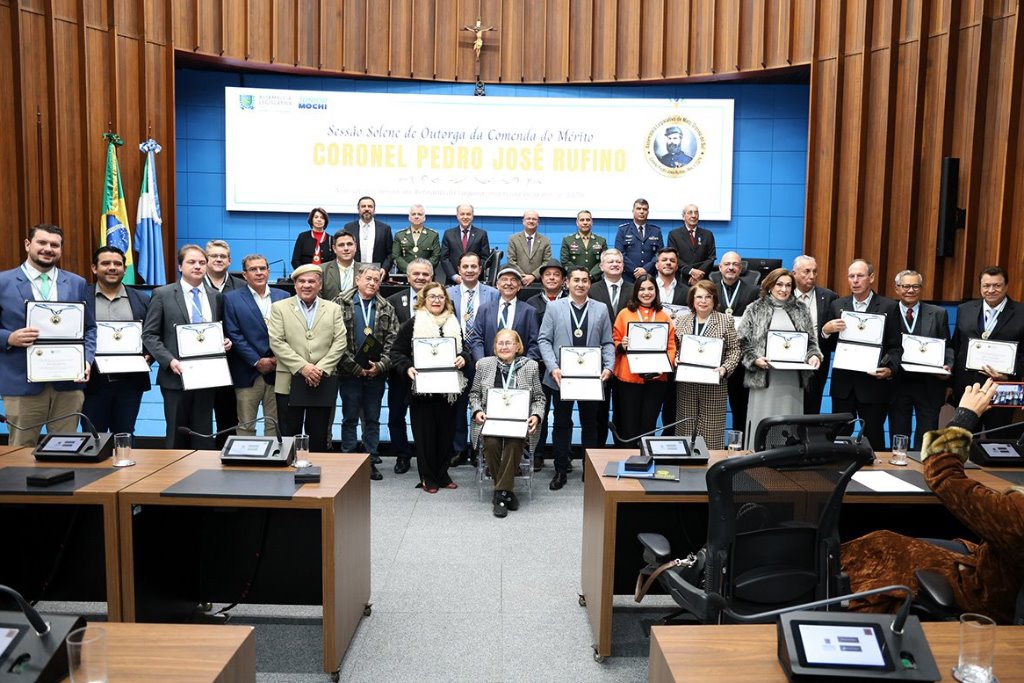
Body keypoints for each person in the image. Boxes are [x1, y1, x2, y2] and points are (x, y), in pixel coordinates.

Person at [842, 379, 1023, 624]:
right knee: (880, 541)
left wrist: (964, 417)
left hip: (985, 593)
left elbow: (942, 474)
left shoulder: (1017, 513)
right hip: (993, 565)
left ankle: (860, 632)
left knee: (878, 552)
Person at [0, 224, 96, 445]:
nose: (48, 249)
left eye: (55, 245)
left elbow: (90, 328)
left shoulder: (76, 283)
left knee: (66, 447)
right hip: (22, 384)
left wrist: (86, 359)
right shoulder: (3, 282)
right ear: (28, 244)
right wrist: (8, 338)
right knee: (21, 451)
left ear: (61, 249)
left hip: (68, 384)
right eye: (42, 242)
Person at [142, 244, 230, 449]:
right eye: (191, 262)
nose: (197, 266)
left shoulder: (215, 296)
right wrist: (169, 360)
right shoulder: (162, 294)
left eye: (202, 262)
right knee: (176, 434)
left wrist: (225, 341)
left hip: (206, 378)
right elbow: (149, 334)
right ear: (180, 266)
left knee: (203, 434)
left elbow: (217, 330)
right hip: (176, 377)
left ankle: (203, 470)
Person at [538, 266, 615, 491]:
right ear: (567, 283)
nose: (580, 284)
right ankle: (560, 469)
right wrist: (553, 367)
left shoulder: (601, 308)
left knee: (590, 424)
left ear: (590, 284)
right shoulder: (554, 307)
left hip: (590, 378)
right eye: (576, 280)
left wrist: (609, 367)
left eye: (584, 281)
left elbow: (607, 342)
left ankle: (589, 470)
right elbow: (544, 340)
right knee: (561, 423)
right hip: (561, 378)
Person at [389, 282, 470, 493]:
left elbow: (465, 350)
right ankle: (428, 477)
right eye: (432, 296)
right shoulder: (412, 324)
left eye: (441, 297)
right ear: (423, 299)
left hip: (448, 391)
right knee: (425, 437)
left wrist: (463, 358)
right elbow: (396, 352)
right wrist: (407, 367)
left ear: (446, 301)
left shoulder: (453, 323)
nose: (436, 300)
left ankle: (442, 474)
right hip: (421, 391)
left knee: (446, 435)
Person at [820, 259, 902, 449]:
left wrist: (890, 369)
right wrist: (825, 331)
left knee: (874, 436)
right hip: (844, 386)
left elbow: (896, 347)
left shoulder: (889, 307)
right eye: (851, 276)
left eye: (860, 276)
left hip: (873, 385)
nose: (855, 280)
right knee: (839, 436)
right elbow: (828, 345)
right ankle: (839, 467)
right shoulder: (837, 305)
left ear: (871, 278)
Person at [738, 268, 823, 449]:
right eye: (779, 284)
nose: (784, 289)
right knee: (763, 421)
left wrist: (814, 356)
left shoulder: (801, 309)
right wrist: (754, 359)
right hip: (764, 379)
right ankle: (759, 457)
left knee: (789, 424)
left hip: (792, 380)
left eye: (788, 285)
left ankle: (786, 458)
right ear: (770, 286)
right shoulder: (754, 308)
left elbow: (811, 342)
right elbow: (742, 342)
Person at [267, 264, 346, 453]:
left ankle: (317, 469)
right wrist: (303, 367)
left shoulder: (333, 309)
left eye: (311, 281)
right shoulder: (279, 308)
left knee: (319, 435)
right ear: (295, 285)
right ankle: (287, 470)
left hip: (321, 379)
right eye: (301, 281)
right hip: (289, 380)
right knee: (288, 434)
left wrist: (320, 369)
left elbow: (340, 341)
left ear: (320, 285)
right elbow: (276, 342)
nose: (306, 285)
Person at [469, 329, 546, 518]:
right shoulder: (485, 365)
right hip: (490, 422)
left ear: (518, 346)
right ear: (495, 347)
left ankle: (500, 495)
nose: (504, 347)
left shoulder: (530, 366)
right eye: (500, 343)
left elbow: (539, 398)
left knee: (514, 442)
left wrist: (536, 416)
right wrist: (477, 411)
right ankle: (505, 492)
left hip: (518, 424)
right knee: (491, 443)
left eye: (508, 343)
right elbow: (474, 394)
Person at [335, 263, 399, 481]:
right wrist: (354, 366)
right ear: (358, 280)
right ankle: (348, 460)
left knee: (372, 419)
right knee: (349, 418)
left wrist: (379, 366)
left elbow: (393, 341)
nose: (372, 283)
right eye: (368, 279)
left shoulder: (386, 307)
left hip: (376, 374)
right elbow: (334, 339)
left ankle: (370, 460)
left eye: (376, 280)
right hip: (348, 372)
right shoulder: (339, 303)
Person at [82, 246, 152, 436]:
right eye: (106, 263)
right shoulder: (81, 297)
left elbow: (152, 333)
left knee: (125, 434)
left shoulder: (141, 299)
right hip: (93, 382)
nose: (112, 267)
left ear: (124, 269)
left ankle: (124, 457)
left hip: (130, 383)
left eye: (117, 264)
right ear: (94, 268)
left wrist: (149, 355)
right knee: (93, 435)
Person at [223, 254, 289, 437]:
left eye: (262, 268)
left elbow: (291, 331)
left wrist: (277, 359)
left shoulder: (283, 296)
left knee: (275, 425)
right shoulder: (231, 298)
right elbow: (233, 333)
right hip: (248, 371)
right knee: (246, 425)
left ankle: (274, 455)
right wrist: (256, 361)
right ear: (245, 275)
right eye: (253, 269)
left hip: (278, 371)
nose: (259, 272)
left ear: (268, 271)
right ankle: (245, 456)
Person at [951, 266, 1024, 432]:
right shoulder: (965, 309)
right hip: (968, 387)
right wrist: (950, 383)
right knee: (965, 437)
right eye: (986, 285)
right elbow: (957, 346)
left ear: (1006, 286)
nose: (991, 290)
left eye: (997, 285)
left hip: (1003, 388)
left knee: (999, 437)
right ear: (980, 286)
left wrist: (1008, 375)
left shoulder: (1021, 313)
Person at [889, 270, 953, 449]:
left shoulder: (938, 313)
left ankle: (924, 464)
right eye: (906, 286)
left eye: (915, 286)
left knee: (927, 435)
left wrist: (948, 367)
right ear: (897, 288)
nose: (911, 290)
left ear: (921, 288)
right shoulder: (888, 311)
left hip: (929, 384)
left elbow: (947, 346)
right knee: (899, 432)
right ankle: (898, 462)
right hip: (897, 384)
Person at [672, 280, 740, 449]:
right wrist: (675, 358)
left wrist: (725, 368)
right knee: (685, 429)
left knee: (711, 432)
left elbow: (734, 350)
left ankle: (712, 464)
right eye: (699, 297)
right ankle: (684, 462)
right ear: (692, 300)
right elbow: (675, 347)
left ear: (714, 299)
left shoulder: (726, 320)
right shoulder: (681, 320)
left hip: (714, 384)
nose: (703, 301)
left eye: (708, 297)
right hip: (687, 384)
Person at [448, 252, 499, 466]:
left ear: (480, 269)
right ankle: (459, 449)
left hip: (484, 356)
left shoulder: (493, 294)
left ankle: (480, 449)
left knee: (483, 404)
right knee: (458, 406)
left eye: (473, 266)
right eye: (465, 266)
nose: (469, 270)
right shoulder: (447, 293)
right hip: (456, 357)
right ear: (459, 270)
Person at [612, 274, 677, 441]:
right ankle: (628, 455)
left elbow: (671, 346)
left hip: (657, 378)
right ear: (635, 292)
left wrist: (663, 366)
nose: (646, 293)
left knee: (649, 423)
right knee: (629, 423)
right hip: (629, 377)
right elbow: (614, 340)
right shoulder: (624, 314)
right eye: (642, 289)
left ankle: (646, 455)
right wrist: (621, 345)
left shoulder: (664, 316)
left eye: (650, 289)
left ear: (656, 291)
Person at [385, 258, 435, 474]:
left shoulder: (439, 300)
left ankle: (428, 455)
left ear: (431, 277)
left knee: (427, 417)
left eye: (425, 274)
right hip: (401, 370)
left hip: (431, 370)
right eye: (416, 274)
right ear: (408, 277)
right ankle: (402, 455)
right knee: (396, 415)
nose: (420, 278)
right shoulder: (394, 300)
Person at [525, 259, 566, 471]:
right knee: (538, 412)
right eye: (547, 274)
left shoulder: (569, 301)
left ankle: (563, 455)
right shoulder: (531, 302)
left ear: (563, 280)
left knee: (562, 414)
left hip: (563, 367)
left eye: (556, 275)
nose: (551, 278)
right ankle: (537, 453)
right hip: (538, 365)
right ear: (541, 278)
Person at [712, 251, 759, 433]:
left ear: (741, 268)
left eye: (735, 264)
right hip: (714, 358)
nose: (731, 267)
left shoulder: (753, 291)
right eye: (727, 264)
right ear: (720, 267)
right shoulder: (710, 290)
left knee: (741, 408)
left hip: (740, 359)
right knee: (712, 408)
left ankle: (742, 445)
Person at [589, 249, 632, 446]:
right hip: (599, 359)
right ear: (601, 266)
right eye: (610, 261)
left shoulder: (634, 289)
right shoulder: (591, 290)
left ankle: (622, 450)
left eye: (618, 261)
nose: (615, 264)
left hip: (626, 359)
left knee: (624, 409)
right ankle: (597, 452)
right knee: (599, 410)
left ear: (623, 265)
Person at [204, 239, 242, 447]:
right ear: (206, 259)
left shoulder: (242, 287)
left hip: (232, 362)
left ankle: (225, 453)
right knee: (199, 414)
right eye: (214, 256)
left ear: (229, 261)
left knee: (228, 416)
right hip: (200, 362)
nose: (218, 259)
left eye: (223, 256)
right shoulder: (194, 284)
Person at [791, 255, 838, 415]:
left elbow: (834, 340)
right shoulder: (785, 294)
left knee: (812, 408)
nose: (812, 276)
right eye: (807, 271)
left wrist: (825, 332)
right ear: (794, 273)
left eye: (815, 271)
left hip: (816, 363)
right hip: (788, 361)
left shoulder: (829, 297)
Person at [466, 266, 540, 363]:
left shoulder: (529, 311)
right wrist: (482, 362)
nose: (508, 283)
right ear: (497, 285)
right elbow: (476, 339)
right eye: (504, 279)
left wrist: (525, 365)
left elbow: (534, 343)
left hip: (518, 366)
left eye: (513, 280)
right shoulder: (484, 309)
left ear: (519, 286)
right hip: (489, 365)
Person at [614, 198, 664, 283]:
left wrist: (646, 269)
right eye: (638, 208)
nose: (641, 211)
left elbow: (659, 254)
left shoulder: (656, 231)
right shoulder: (623, 230)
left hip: (650, 276)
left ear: (648, 212)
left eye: (644, 209)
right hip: (628, 277)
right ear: (633, 211)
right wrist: (636, 271)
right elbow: (620, 253)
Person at [343, 195, 393, 278]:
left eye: (370, 206)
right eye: (363, 206)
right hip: (354, 275)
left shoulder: (385, 229)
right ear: (358, 209)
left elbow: (390, 253)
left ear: (374, 210)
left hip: (378, 275)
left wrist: (385, 268)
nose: (366, 209)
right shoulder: (349, 228)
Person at [440, 203, 491, 284]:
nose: (465, 217)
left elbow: (485, 259)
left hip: (475, 280)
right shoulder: (448, 234)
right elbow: (444, 258)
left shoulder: (481, 234)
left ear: (472, 216)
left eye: (468, 214)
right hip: (453, 281)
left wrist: (473, 274)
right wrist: (455, 277)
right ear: (457, 216)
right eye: (462, 214)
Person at [666, 204, 716, 286]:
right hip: (682, 279)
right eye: (690, 212)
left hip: (702, 279)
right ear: (683, 216)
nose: (693, 216)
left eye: (696, 213)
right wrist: (691, 271)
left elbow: (711, 258)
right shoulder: (674, 234)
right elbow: (673, 257)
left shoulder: (708, 234)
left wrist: (698, 275)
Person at [392, 204, 441, 275]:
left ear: (424, 218)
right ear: (409, 218)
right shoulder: (399, 235)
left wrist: (423, 270)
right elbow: (396, 256)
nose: (416, 216)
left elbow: (436, 256)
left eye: (419, 214)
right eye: (413, 214)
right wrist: (410, 270)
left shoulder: (433, 235)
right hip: (405, 275)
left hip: (426, 275)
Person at [506, 210, 551, 287]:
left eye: (534, 219)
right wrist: (522, 276)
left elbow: (547, 261)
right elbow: (511, 260)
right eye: (528, 218)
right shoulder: (513, 239)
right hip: (518, 281)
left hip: (538, 281)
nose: (531, 221)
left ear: (538, 222)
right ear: (523, 221)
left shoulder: (545, 240)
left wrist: (533, 276)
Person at [560, 210, 607, 281]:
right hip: (575, 280)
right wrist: (578, 275)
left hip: (595, 281)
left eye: (588, 220)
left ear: (592, 222)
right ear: (577, 222)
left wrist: (590, 276)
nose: (585, 222)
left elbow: (603, 261)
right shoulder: (568, 240)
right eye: (582, 220)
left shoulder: (601, 241)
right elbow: (565, 262)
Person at [321, 230, 358, 301]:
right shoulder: (322, 270)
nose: (346, 248)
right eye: (341, 245)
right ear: (334, 249)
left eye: (349, 244)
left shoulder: (364, 271)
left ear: (355, 247)